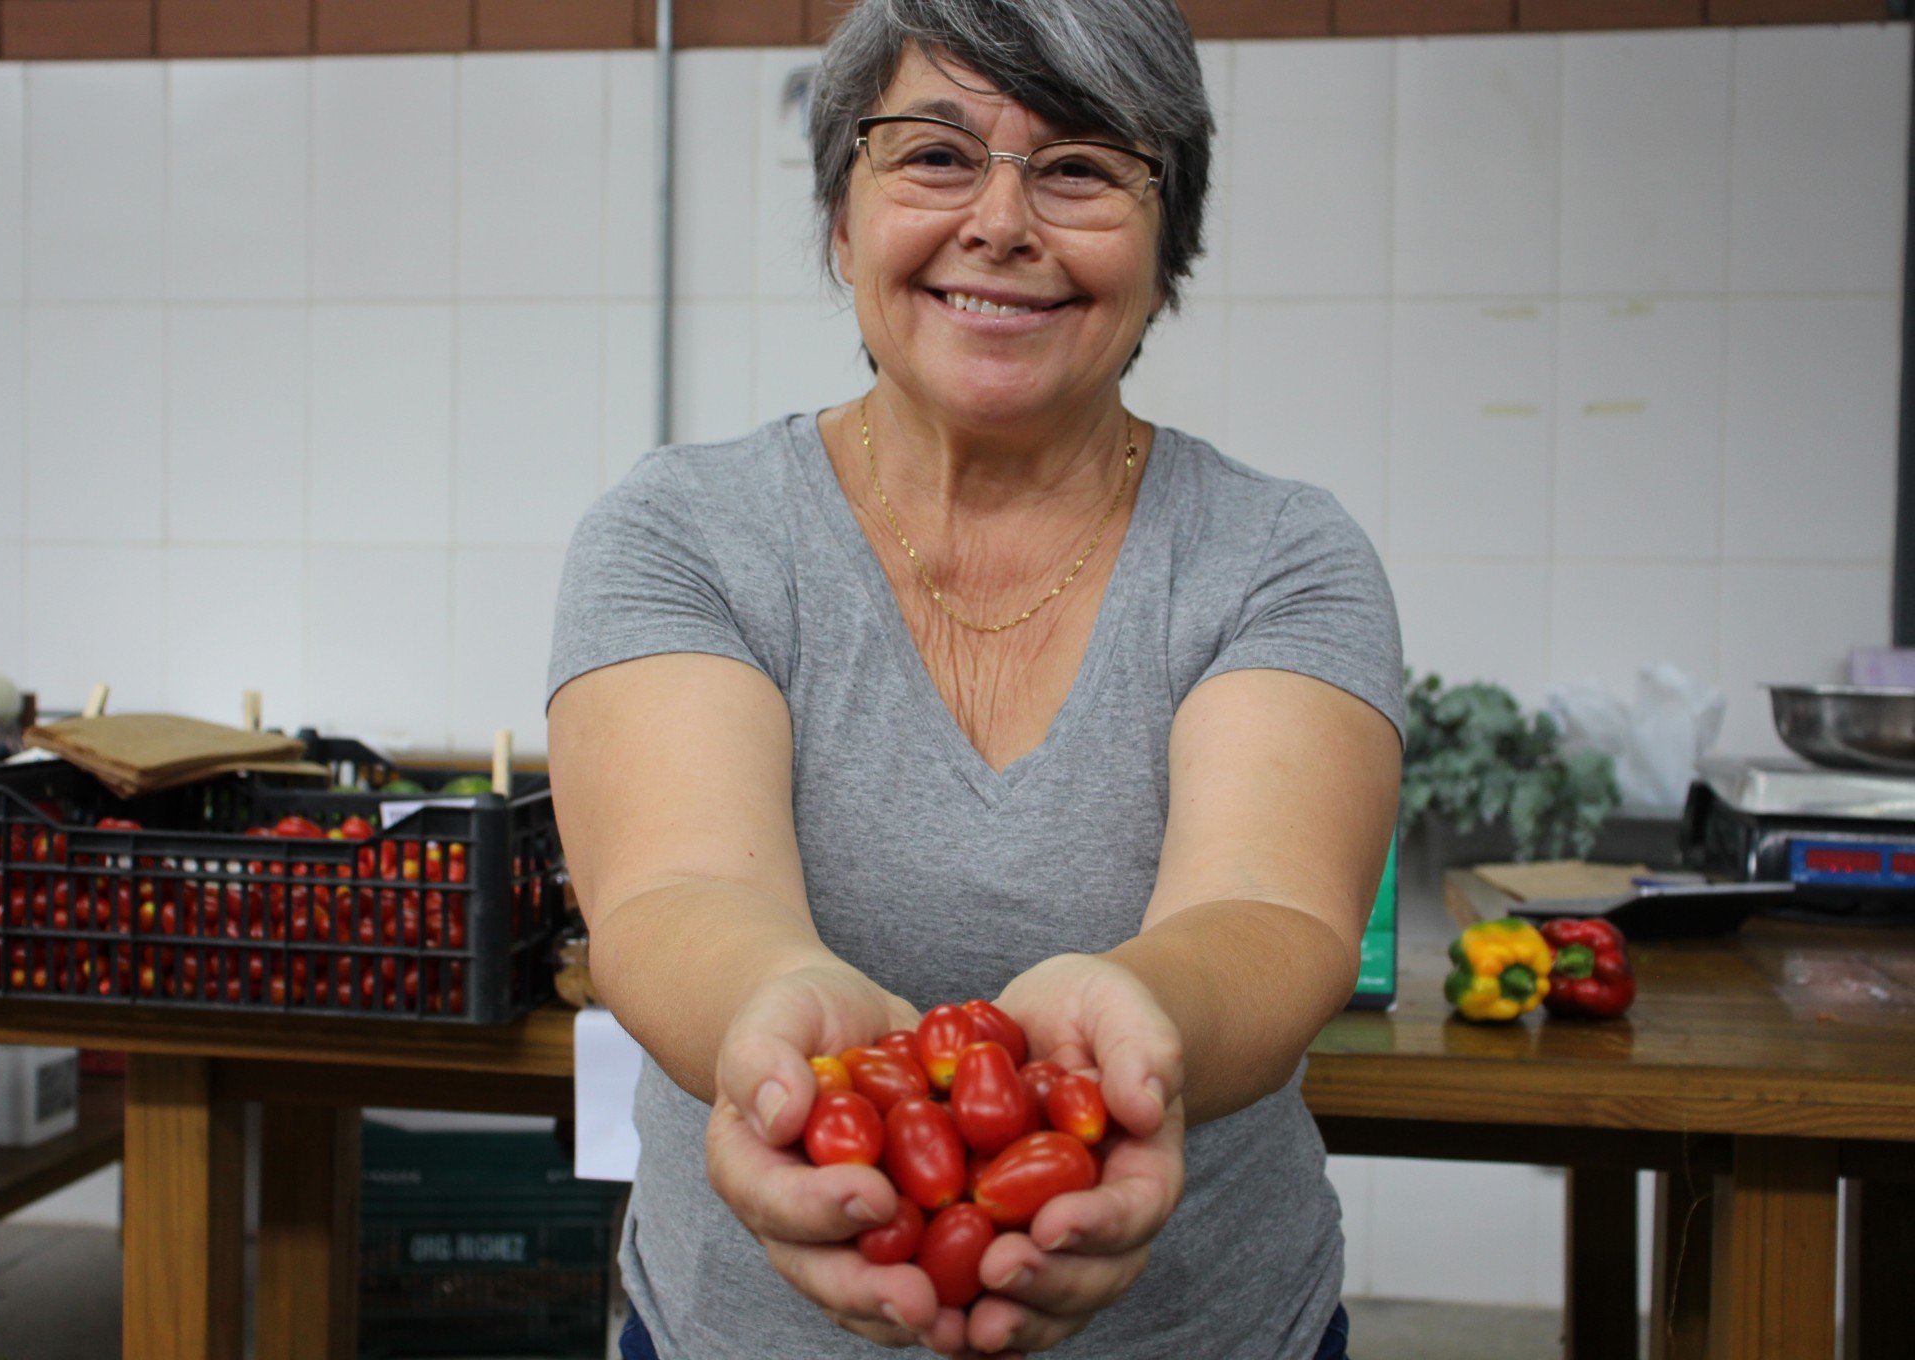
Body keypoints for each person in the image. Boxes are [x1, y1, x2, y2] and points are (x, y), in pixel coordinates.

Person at [545, 1, 1403, 1356]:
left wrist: (1145, 1023)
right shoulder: (681, 534)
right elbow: (676, 889)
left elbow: (1270, 907)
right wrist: (778, 1020)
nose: (1002, 221)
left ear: (1166, 246)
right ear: (842, 216)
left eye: (1078, 168)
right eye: (934, 156)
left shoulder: (1279, 556)